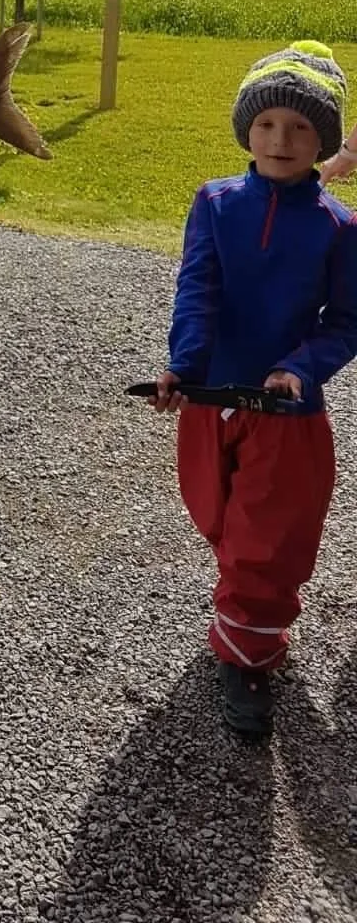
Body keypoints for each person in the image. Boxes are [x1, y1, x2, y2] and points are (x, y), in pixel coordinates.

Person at [150, 41, 357, 736]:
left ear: (323, 140)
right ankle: (248, 609)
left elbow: (345, 322)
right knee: (218, 517)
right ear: (247, 129)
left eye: (301, 129)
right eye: (267, 124)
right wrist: (184, 365)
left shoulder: (338, 226)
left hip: (287, 415)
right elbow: (197, 288)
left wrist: (299, 368)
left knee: (267, 540)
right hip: (212, 404)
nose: (281, 140)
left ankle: (245, 656)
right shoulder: (213, 202)